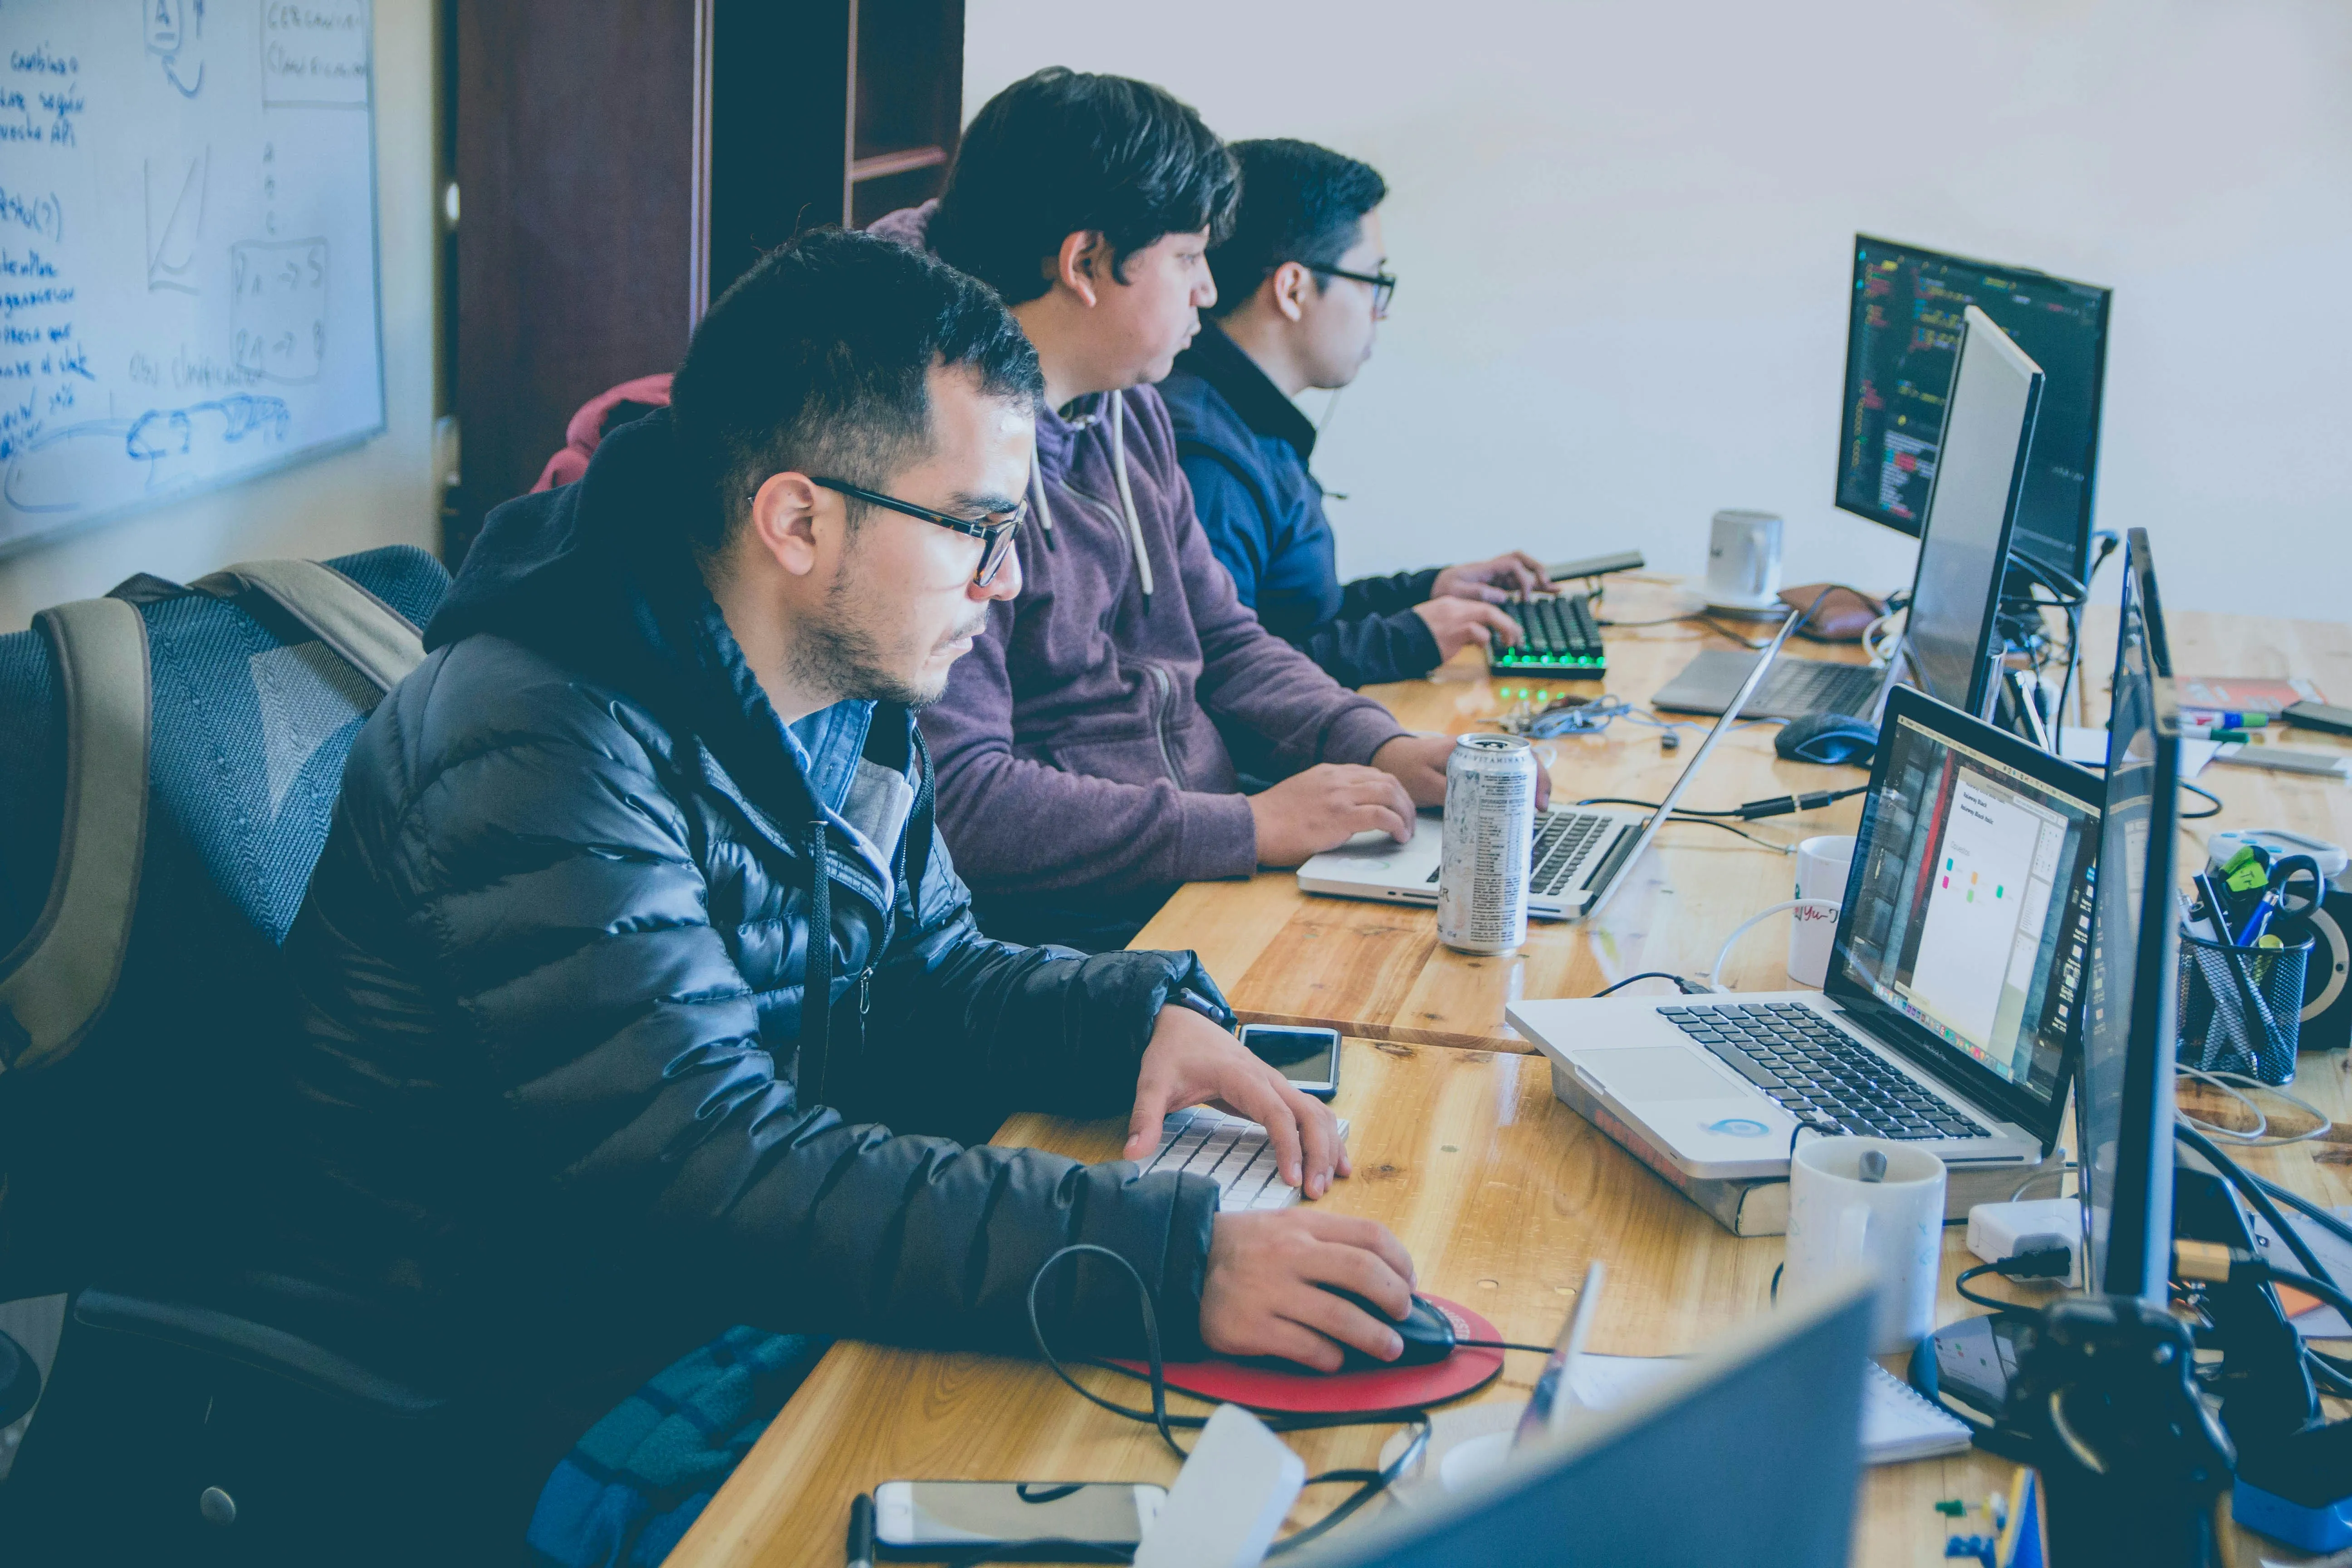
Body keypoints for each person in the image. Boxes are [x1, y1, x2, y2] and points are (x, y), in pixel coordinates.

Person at [274, 230, 1418, 1548]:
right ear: (798, 519)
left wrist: (1135, 1016)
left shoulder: (840, 674)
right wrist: (1162, 1260)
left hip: (726, 1294)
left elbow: (929, 967)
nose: (1010, 580)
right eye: (980, 528)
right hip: (524, 1379)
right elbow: (713, 1166)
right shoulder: (536, 735)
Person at [872, 69, 1540, 952]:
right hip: (1075, 934)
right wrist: (1249, 828)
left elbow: (1224, 638)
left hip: (1196, 877)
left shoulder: (1129, 406)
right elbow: (964, 799)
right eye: (1188, 258)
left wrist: (1374, 744)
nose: (1209, 290)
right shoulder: (933, 468)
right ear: (1084, 264)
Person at [1161, 138, 1550, 689]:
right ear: (1293, 288)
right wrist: (1408, 639)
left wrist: (1430, 590)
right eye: (1375, 283)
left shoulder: (1250, 422)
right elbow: (1221, 682)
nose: (1379, 314)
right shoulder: (1207, 461)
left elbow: (1293, 615)